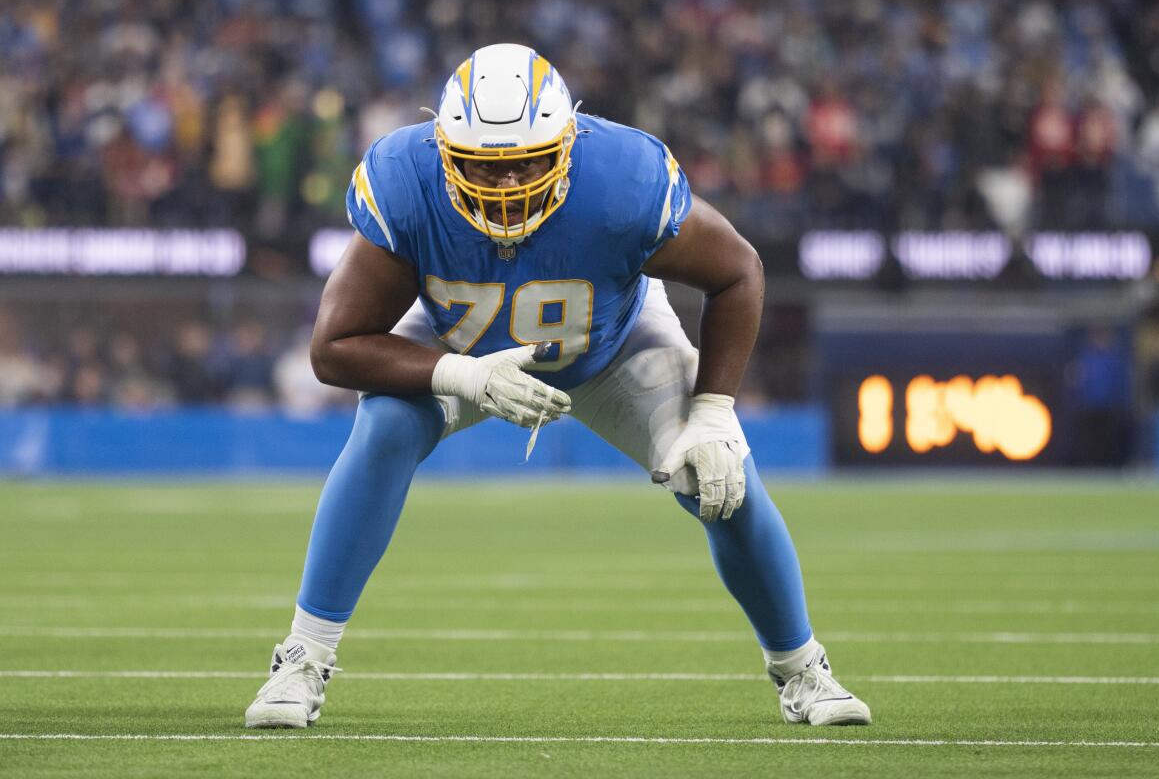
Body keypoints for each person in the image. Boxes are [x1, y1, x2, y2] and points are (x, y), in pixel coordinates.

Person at [244, 44, 870, 729]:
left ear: (569, 144)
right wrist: (462, 374)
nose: (508, 181)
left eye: (528, 160)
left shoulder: (622, 177)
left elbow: (739, 272)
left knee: (720, 476)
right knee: (385, 426)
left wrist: (714, 410)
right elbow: (333, 349)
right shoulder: (406, 180)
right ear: (444, 149)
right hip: (461, 344)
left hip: (618, 346)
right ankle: (302, 660)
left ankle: (801, 668)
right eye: (485, 163)